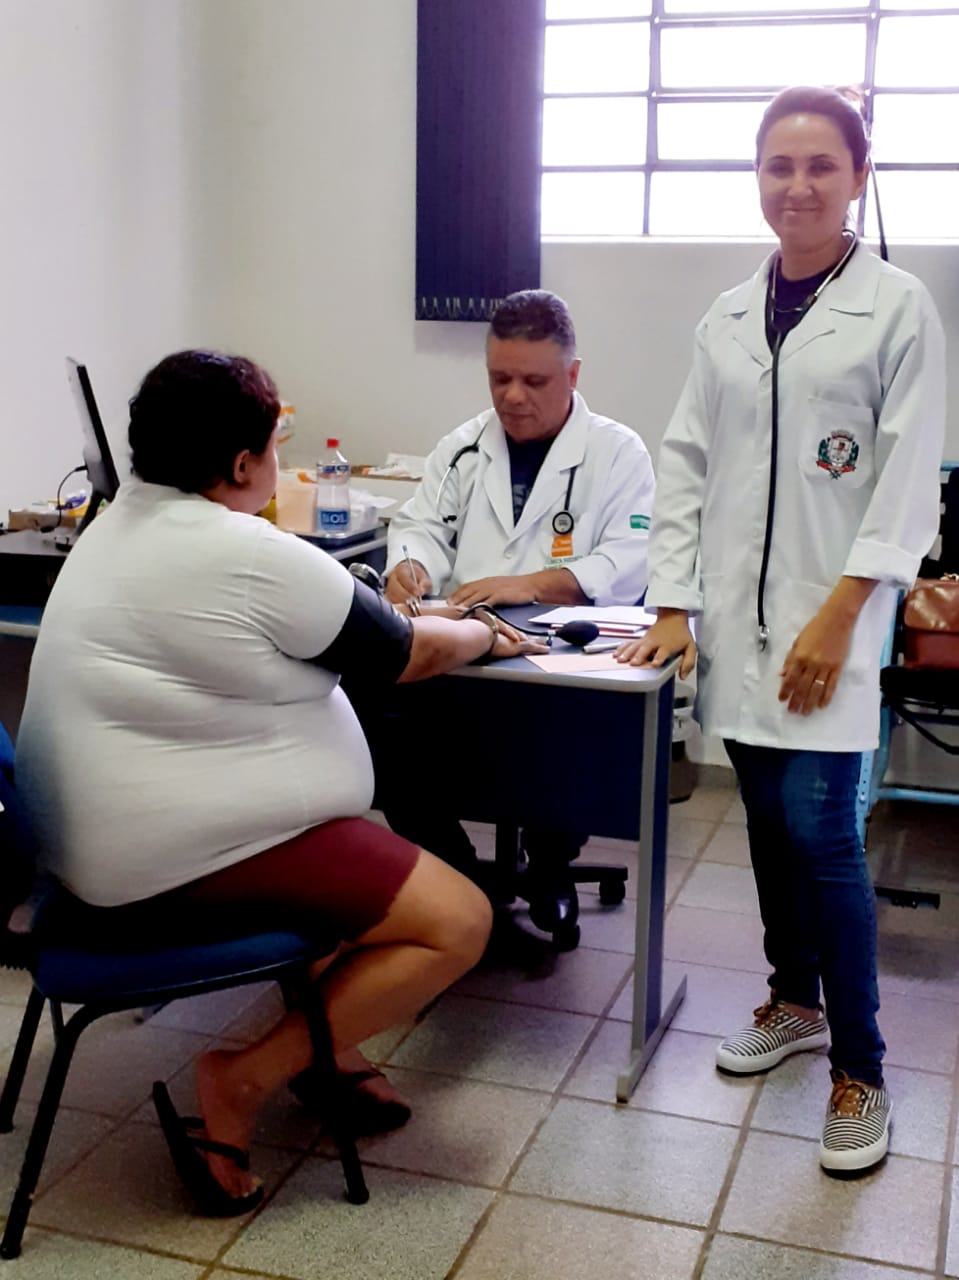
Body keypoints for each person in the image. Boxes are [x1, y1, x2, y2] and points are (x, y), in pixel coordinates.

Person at [15, 350, 548, 1215]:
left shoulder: (116, 524)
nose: (274, 463)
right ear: (241, 465)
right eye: (272, 447)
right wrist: (482, 633)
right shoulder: (242, 551)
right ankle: (243, 1078)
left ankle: (327, 1054)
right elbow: (404, 653)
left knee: (358, 878)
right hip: (162, 863)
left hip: (101, 845)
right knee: (458, 921)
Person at [617, 87, 945, 1174]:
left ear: (857, 177)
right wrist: (674, 602)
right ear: (756, 178)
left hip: (830, 627)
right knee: (763, 822)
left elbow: (904, 482)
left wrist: (841, 617)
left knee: (821, 837)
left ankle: (861, 1070)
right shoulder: (724, 316)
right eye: (777, 166)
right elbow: (684, 463)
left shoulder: (896, 308)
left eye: (819, 166)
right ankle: (792, 1001)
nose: (796, 186)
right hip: (737, 628)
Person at [381, 289, 657, 936]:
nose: (511, 396)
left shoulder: (617, 453)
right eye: (498, 378)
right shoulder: (462, 447)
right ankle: (458, 876)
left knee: (562, 739)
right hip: (466, 650)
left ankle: (551, 867)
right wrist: (408, 568)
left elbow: (630, 559)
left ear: (572, 374)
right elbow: (419, 526)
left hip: (565, 654)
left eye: (533, 381)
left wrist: (527, 584)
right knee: (385, 732)